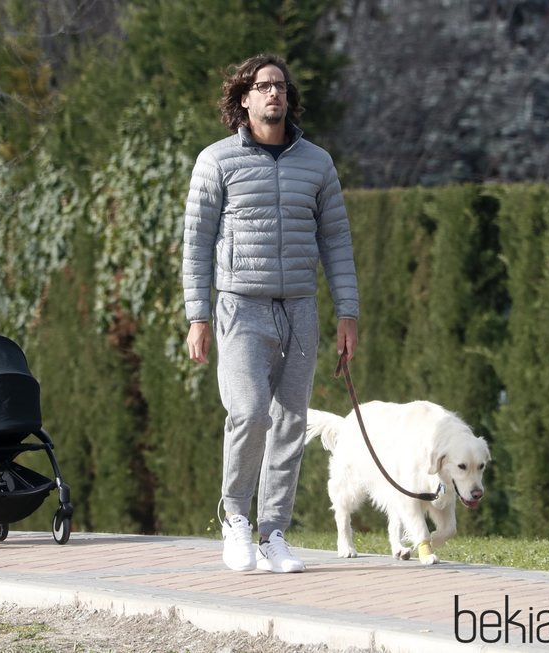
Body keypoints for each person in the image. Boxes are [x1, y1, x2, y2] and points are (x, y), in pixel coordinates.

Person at [182, 54, 359, 572]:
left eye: (280, 86)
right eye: (262, 87)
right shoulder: (215, 161)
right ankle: (235, 517)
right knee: (250, 412)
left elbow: (338, 242)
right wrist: (198, 316)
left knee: (291, 421)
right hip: (240, 307)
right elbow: (196, 244)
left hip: (301, 308)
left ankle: (273, 531)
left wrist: (348, 312)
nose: (273, 94)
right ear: (244, 98)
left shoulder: (318, 163)